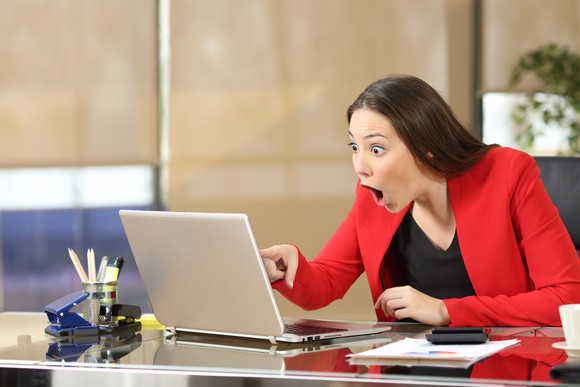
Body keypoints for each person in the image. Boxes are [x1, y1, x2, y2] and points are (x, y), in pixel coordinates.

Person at [260, 74, 580, 327]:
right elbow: (327, 281)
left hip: (504, 366)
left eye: (376, 149)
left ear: (425, 147)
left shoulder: (508, 173)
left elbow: (567, 297)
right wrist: (290, 268)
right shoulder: (372, 197)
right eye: (354, 147)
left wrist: (445, 310)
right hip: (412, 364)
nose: (360, 167)